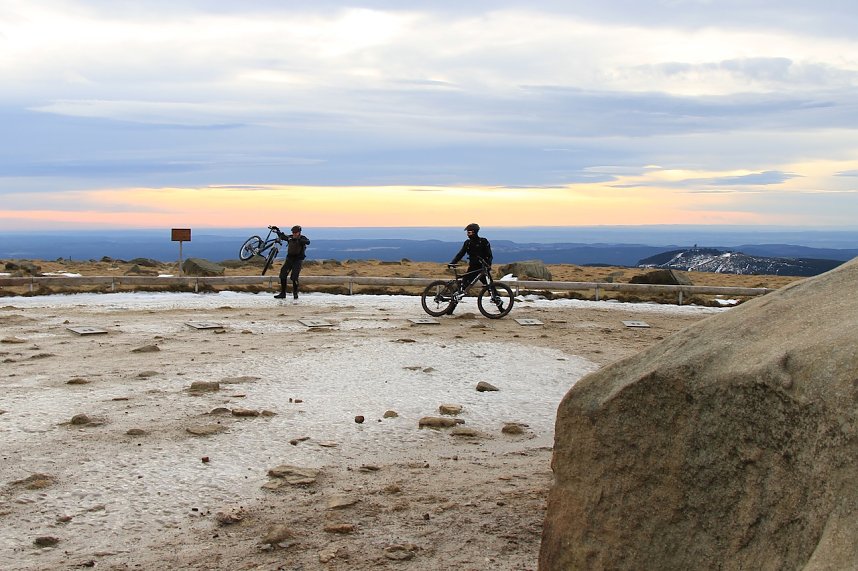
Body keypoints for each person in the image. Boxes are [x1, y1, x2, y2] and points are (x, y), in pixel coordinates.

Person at [447, 223, 493, 314]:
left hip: (483, 268)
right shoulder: (467, 243)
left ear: (475, 232)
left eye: (470, 232)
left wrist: (488, 265)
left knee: (491, 287)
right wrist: (453, 262)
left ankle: (500, 307)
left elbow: (489, 255)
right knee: (462, 288)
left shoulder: (483, 241)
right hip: (472, 268)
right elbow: (461, 254)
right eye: (467, 232)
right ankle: (450, 309)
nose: (468, 233)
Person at [274, 225, 310, 301]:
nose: (294, 234)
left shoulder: (302, 238)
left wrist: (300, 240)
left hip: (298, 260)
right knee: (283, 274)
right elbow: (283, 236)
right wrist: (277, 230)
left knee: (294, 277)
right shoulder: (290, 237)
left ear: (299, 232)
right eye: (293, 232)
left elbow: (308, 242)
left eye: (295, 232)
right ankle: (283, 293)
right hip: (289, 259)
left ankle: (295, 294)